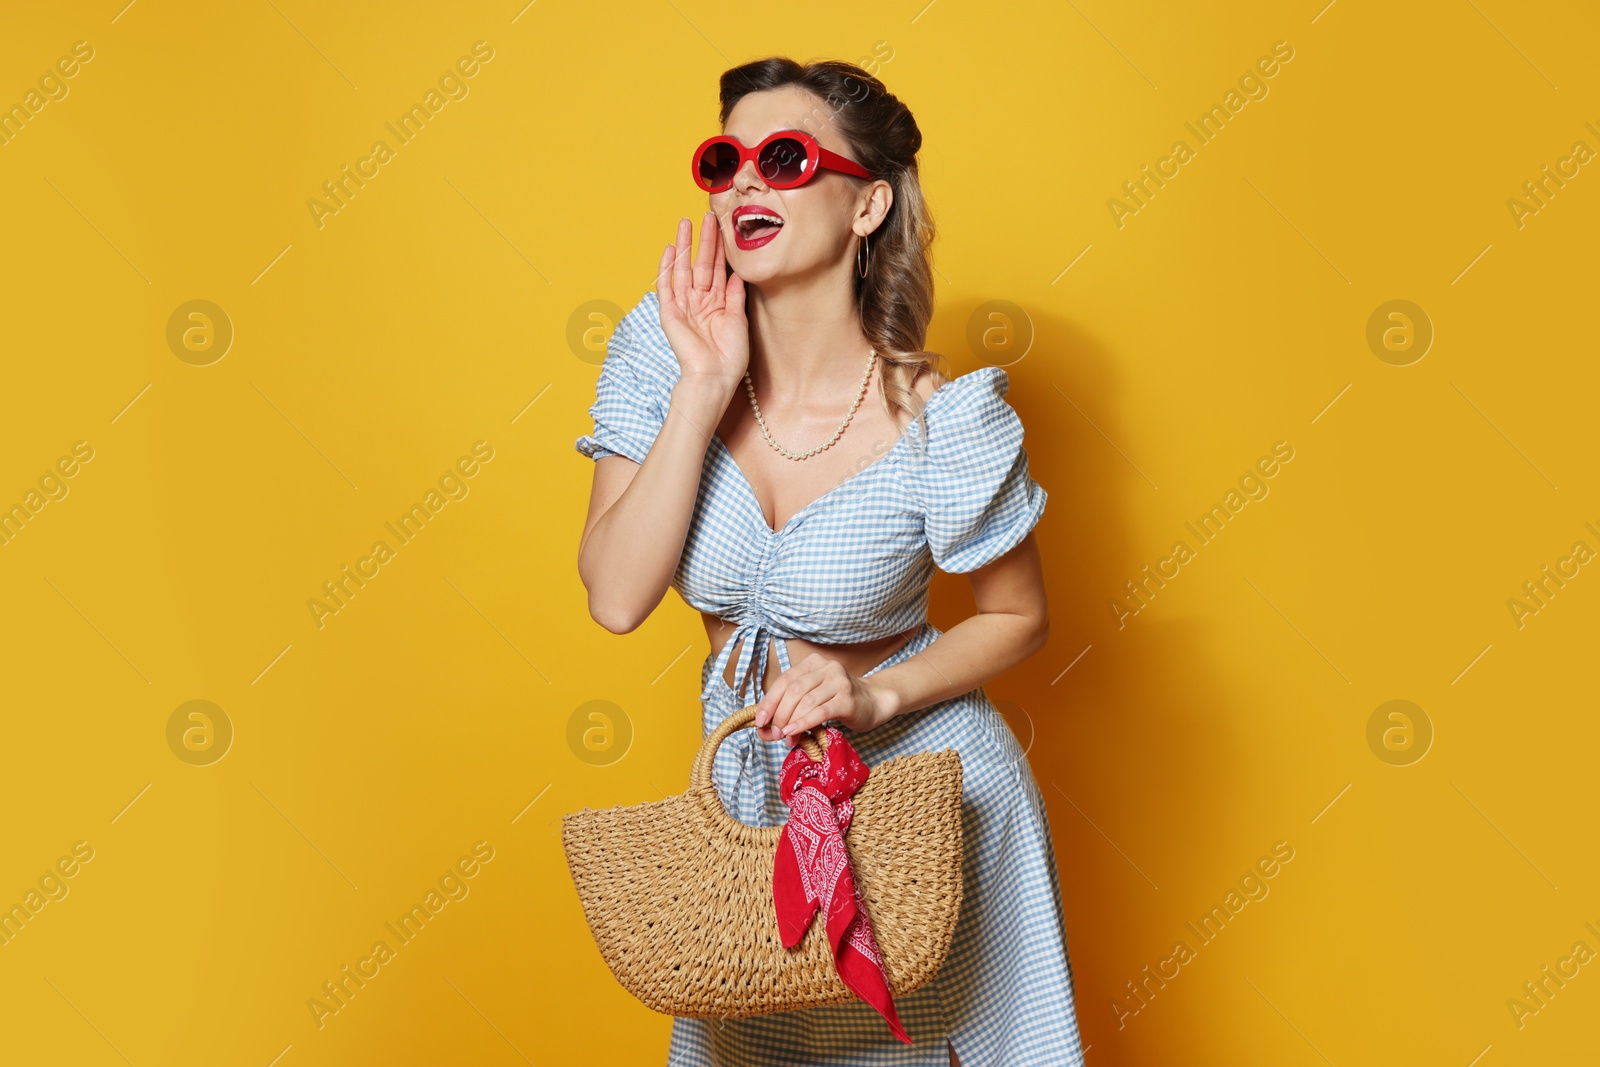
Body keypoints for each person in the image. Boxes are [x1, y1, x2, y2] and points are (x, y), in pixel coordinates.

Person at [575, 55, 1087, 1067]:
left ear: (868, 205)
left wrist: (879, 699)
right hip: (754, 806)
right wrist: (704, 383)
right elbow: (617, 595)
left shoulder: (943, 420)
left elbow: (1018, 615)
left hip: (924, 801)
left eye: (784, 157)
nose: (744, 185)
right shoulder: (661, 351)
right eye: (724, 161)